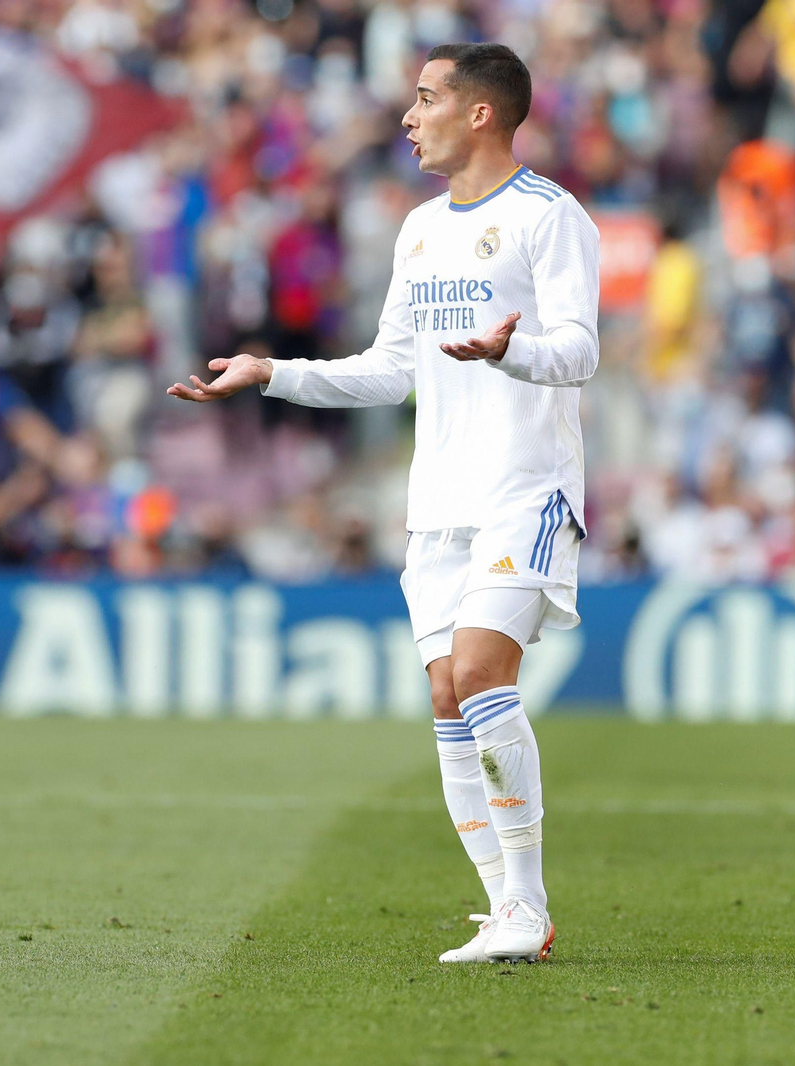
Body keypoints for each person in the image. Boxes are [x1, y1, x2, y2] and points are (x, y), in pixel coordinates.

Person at [168, 43, 599, 964]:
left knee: (480, 672)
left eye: (426, 98)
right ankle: (506, 907)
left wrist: (511, 352)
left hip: (525, 486)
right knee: (446, 693)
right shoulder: (420, 229)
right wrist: (273, 372)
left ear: (480, 112)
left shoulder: (549, 216)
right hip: (438, 497)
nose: (408, 117)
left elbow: (580, 349)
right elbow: (389, 369)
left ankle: (527, 907)